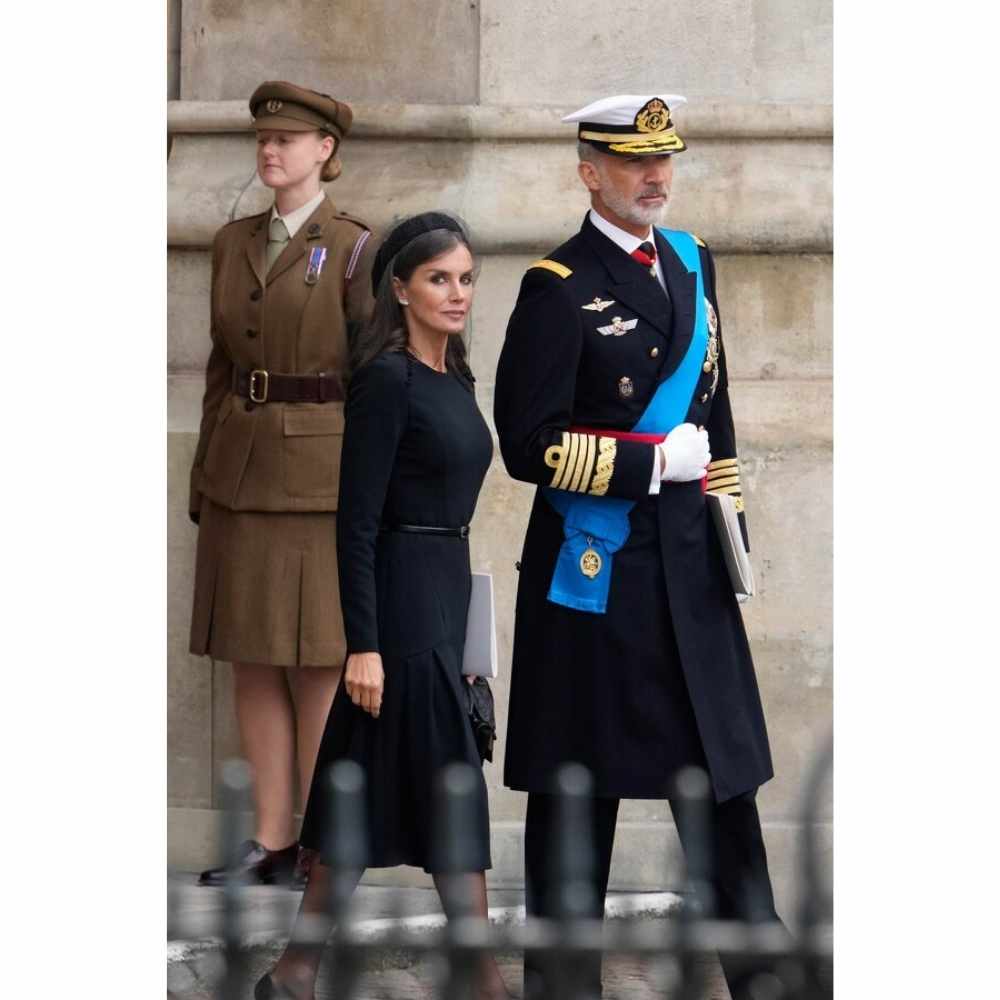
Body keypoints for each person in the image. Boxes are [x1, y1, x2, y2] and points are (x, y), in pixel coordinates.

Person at [494, 94, 782, 999]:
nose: (655, 176)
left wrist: (731, 538)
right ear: (591, 172)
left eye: (664, 160)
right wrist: (648, 464)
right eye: (632, 163)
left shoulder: (694, 265)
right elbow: (527, 443)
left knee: (724, 798)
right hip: (598, 583)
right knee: (579, 804)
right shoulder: (555, 287)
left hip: (689, 578)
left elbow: (717, 417)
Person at [254, 213, 511, 1000]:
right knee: (449, 787)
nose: (457, 293)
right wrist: (360, 645)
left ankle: (294, 972)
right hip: (396, 612)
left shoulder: (454, 373)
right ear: (399, 288)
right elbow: (356, 521)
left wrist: (469, 639)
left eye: (466, 278)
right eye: (438, 278)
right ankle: (483, 981)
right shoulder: (389, 380)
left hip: (441, 594)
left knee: (364, 787)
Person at [188, 81, 377, 888]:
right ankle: (266, 839)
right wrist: (204, 472)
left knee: (317, 662)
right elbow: (221, 366)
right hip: (239, 470)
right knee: (252, 658)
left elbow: (378, 377)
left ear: (324, 151)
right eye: (265, 141)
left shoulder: (359, 246)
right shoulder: (232, 242)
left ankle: (317, 842)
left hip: (321, 476)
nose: (272, 152)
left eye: (290, 141)